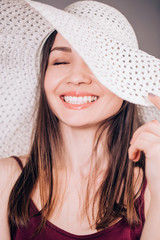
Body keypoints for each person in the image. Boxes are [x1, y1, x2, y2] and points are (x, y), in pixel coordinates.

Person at [0, 0, 160, 239]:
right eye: (60, 61)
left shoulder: (153, 188)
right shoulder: (6, 178)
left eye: (97, 63)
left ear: (128, 82)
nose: (76, 77)